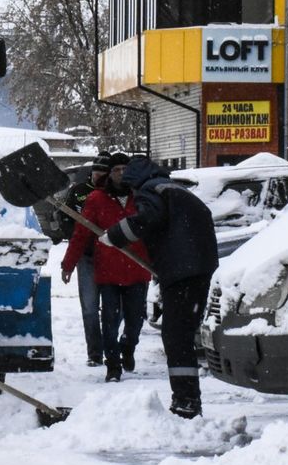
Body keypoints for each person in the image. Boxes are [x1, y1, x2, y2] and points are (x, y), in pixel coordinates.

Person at [101, 156, 218, 419]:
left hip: (182, 269)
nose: (132, 194)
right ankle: (187, 399)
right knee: (182, 333)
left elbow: (147, 219)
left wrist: (115, 234)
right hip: (199, 266)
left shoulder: (150, 191)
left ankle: (186, 401)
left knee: (176, 336)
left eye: (131, 188)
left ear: (135, 181)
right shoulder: (174, 189)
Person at [61, 152, 149, 382]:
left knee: (135, 318)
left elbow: (154, 231)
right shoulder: (96, 199)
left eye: (124, 169)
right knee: (109, 319)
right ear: (110, 174)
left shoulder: (140, 196)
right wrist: (69, 263)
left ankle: (128, 347)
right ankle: (112, 365)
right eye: (116, 169)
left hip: (137, 269)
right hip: (108, 271)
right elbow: (81, 233)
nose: (120, 173)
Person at [57, 154, 110, 365]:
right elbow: (64, 217)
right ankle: (94, 353)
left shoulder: (114, 193)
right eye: (97, 172)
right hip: (86, 257)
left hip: (111, 257)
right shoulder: (78, 191)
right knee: (89, 307)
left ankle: (111, 348)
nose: (100, 175)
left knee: (112, 308)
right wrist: (76, 236)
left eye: (104, 172)